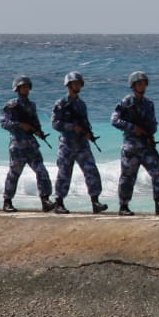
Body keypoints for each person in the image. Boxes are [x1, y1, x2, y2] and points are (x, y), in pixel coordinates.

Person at [111, 71, 159, 216]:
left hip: (147, 145)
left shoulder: (149, 104)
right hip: (131, 146)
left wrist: (150, 131)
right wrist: (133, 128)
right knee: (128, 177)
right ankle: (123, 206)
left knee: (158, 174)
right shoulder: (126, 102)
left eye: (144, 83)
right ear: (133, 86)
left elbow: (153, 122)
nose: (142, 86)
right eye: (139, 83)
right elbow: (115, 120)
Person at [50, 72, 107, 214]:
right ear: (69, 85)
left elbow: (85, 122)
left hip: (82, 144)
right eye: (75, 83)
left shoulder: (81, 105)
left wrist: (88, 133)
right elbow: (55, 124)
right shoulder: (61, 103)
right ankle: (59, 203)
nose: (77, 86)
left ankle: (95, 201)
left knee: (91, 171)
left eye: (79, 83)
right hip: (67, 145)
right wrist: (72, 127)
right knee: (64, 174)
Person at [0, 75, 53, 213]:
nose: (26, 89)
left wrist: (39, 132)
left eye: (27, 86)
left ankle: (45, 200)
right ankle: (7, 201)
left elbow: (35, 123)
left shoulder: (31, 105)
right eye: (23, 87)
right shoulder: (12, 105)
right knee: (14, 174)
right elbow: (4, 123)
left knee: (42, 172)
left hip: (31, 145)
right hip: (17, 145)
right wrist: (20, 125)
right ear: (17, 89)